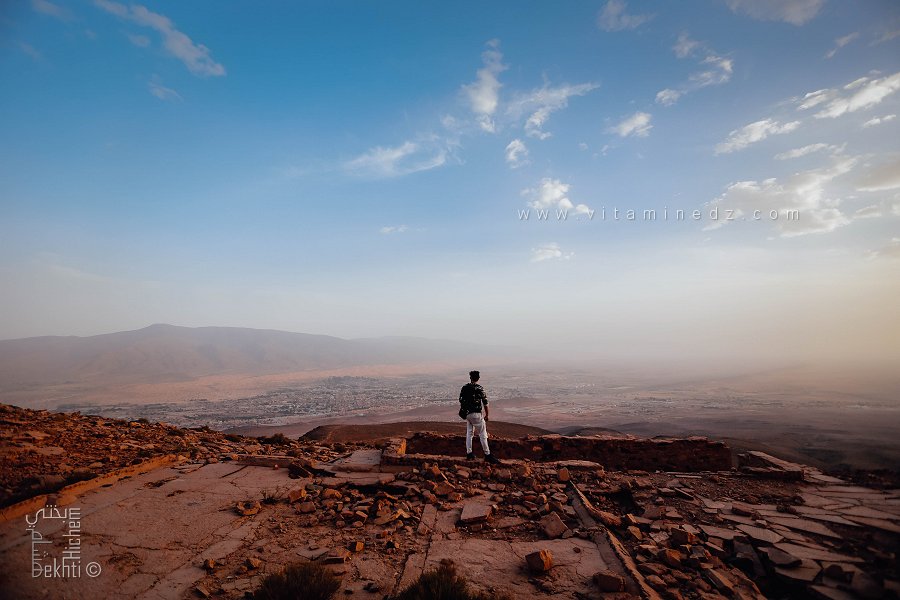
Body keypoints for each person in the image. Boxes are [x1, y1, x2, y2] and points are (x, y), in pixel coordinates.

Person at [458, 370, 499, 463]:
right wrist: (487, 415)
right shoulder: (479, 388)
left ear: (470, 377)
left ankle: (469, 453)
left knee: (469, 433)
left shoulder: (464, 387)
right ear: (478, 378)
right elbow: (485, 403)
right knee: (483, 434)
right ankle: (487, 454)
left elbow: (460, 399)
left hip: (467, 414)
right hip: (476, 414)